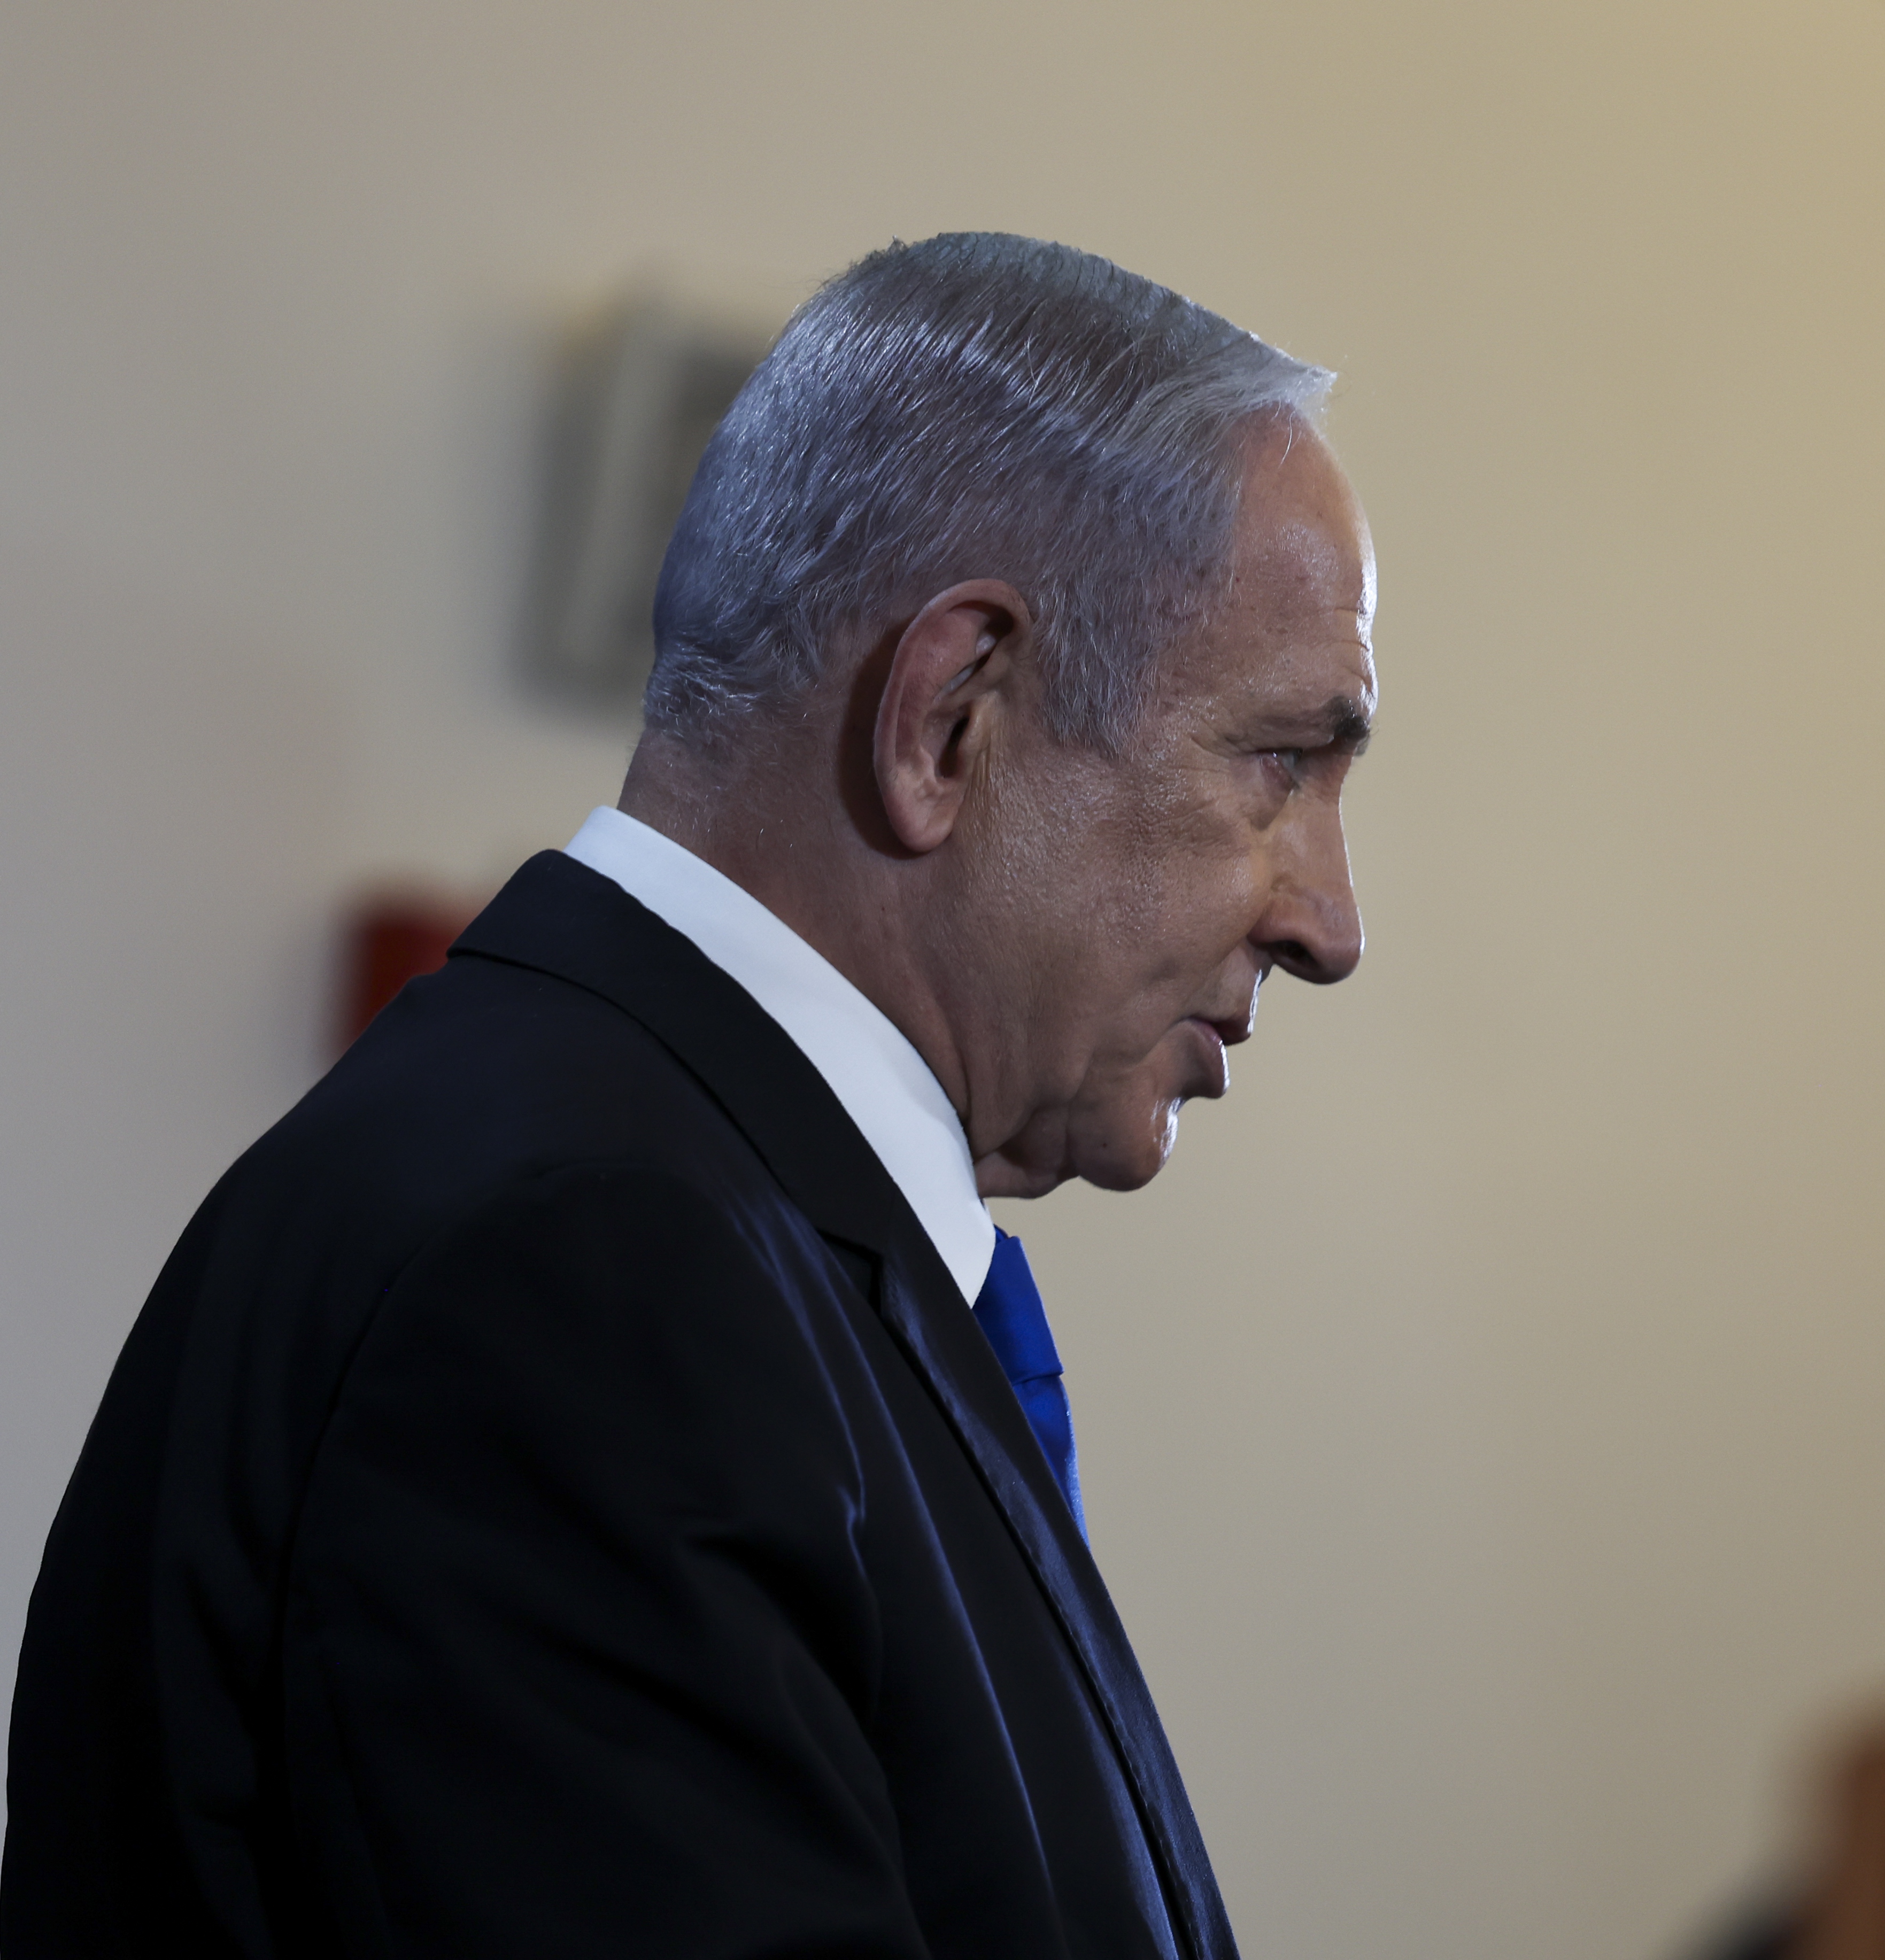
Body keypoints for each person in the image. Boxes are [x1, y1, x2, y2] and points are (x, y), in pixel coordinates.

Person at [2, 233, 1375, 1960]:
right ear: (950, 718)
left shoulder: (676, 1223)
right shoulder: (583, 1275)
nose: (1330, 924)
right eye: (1277, 765)